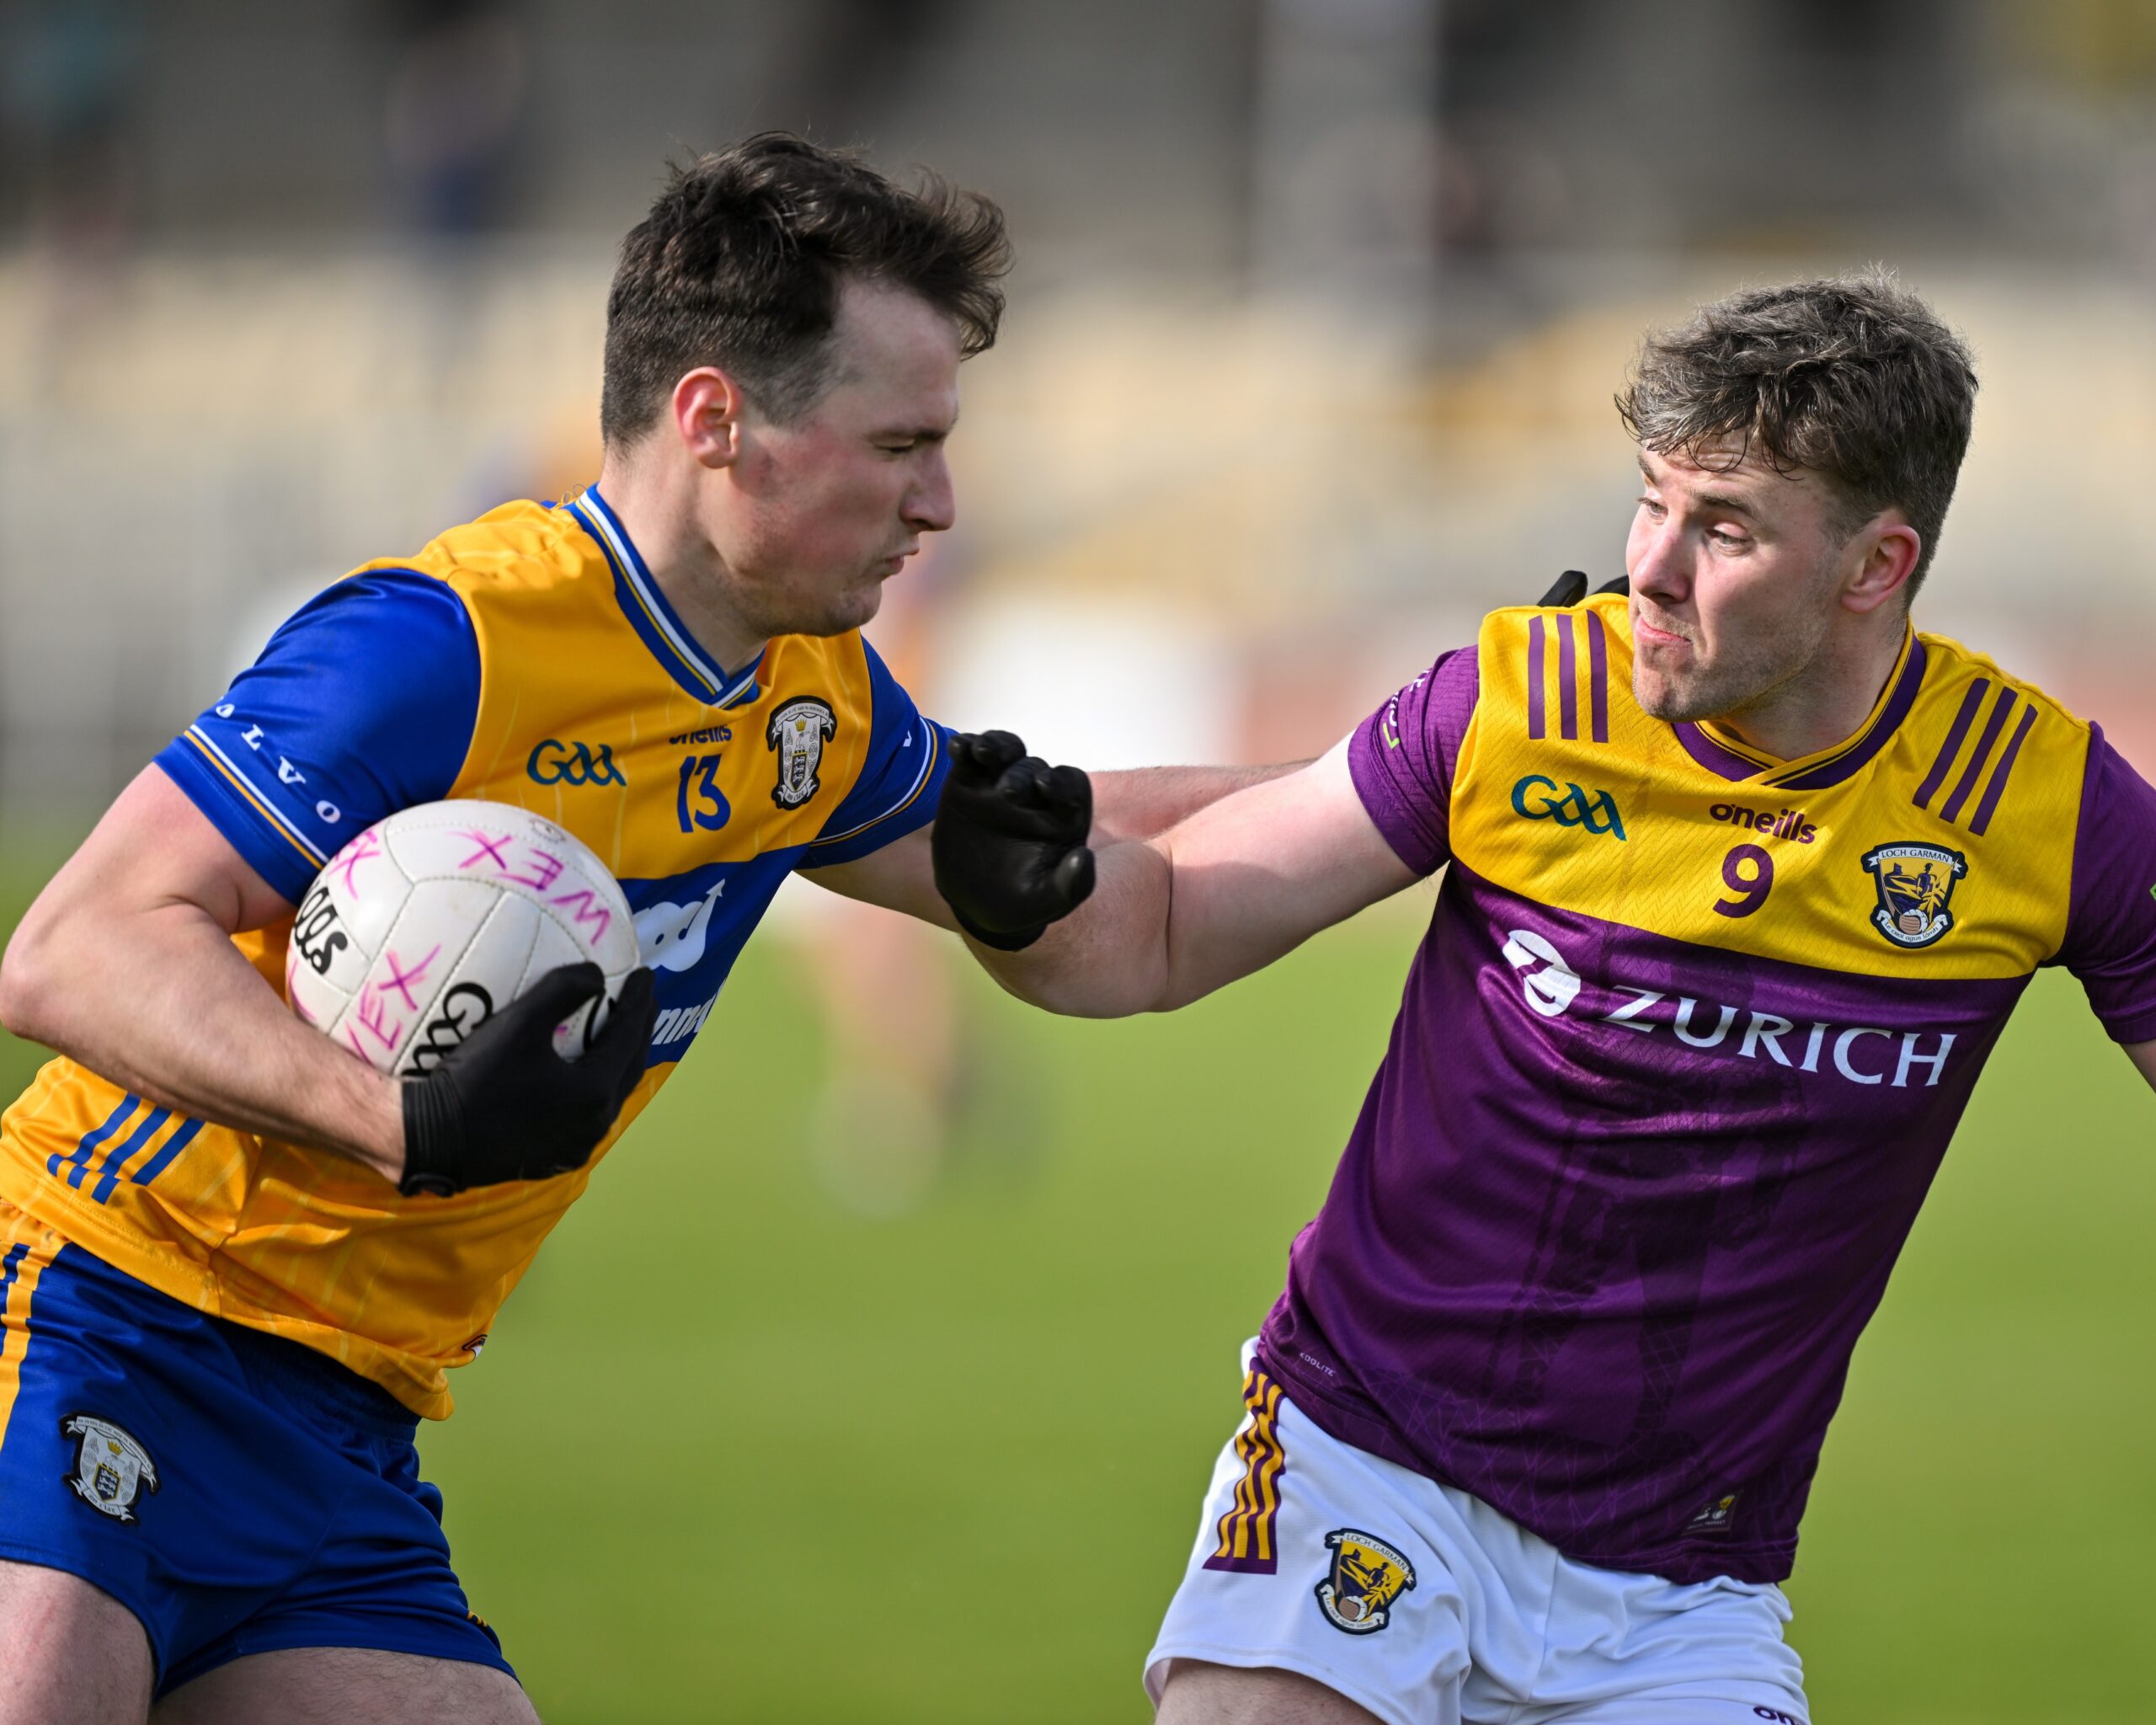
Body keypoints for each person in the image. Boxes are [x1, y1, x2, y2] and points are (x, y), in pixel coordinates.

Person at [0, 133, 1277, 1724]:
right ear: (715, 420)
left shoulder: (803, 698)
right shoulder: (442, 644)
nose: (943, 504)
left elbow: (1078, 840)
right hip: (92, 1312)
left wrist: (1449, 758)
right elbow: (75, 945)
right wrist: (393, 1116)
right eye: (902, 443)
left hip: (350, 1424)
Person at [932, 272, 2156, 1724]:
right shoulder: (1528, 698)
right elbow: (1168, 928)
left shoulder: (2038, 805)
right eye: (1652, 502)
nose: (1651, 566)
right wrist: (1017, 906)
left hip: (1683, 1590)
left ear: (1876, 566)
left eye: (1725, 528)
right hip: (1365, 1460)